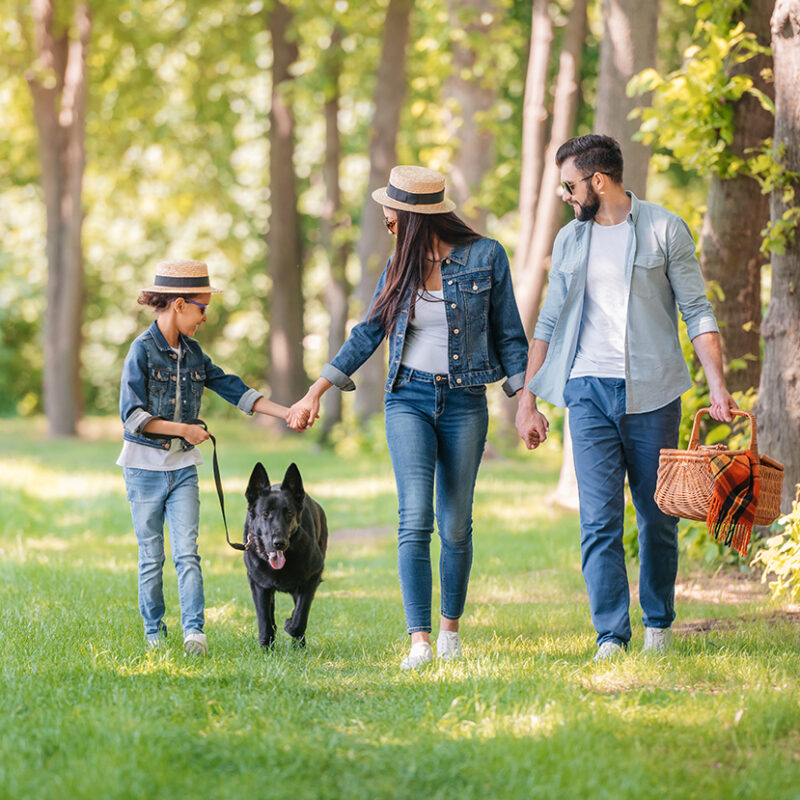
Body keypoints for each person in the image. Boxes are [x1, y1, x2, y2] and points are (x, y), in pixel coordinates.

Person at [289, 166, 529, 669]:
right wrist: (316, 391)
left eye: (393, 220)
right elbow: (368, 332)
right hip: (408, 399)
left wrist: (525, 401)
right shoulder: (399, 265)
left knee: (456, 525)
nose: (388, 228)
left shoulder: (486, 257)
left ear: (417, 219)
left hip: (465, 402)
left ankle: (449, 634)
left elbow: (510, 337)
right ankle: (419, 641)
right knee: (414, 518)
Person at [515, 135, 736, 661]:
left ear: (599, 180)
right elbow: (548, 321)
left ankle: (658, 622)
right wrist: (528, 398)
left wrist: (719, 385)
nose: (566, 196)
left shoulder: (664, 228)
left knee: (657, 516)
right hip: (586, 391)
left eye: (570, 185)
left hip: (653, 392)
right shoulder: (571, 240)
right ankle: (611, 635)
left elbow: (697, 312)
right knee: (598, 521)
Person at [118, 259, 307, 656]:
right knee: (152, 556)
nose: (205, 317)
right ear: (180, 304)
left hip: (182, 469)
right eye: (202, 308)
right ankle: (154, 631)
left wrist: (288, 412)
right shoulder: (140, 352)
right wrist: (184, 430)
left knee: (188, 552)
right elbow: (132, 417)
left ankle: (193, 634)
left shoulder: (194, 354)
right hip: (143, 470)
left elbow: (235, 390)